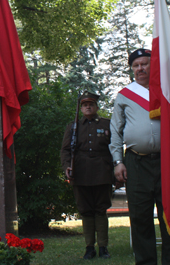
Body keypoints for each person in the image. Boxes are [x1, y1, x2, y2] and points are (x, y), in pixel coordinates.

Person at [109, 49, 170, 265]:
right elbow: (116, 130)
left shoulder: (168, 91)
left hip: (168, 163)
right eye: (136, 65)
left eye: (144, 64)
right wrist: (118, 161)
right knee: (140, 219)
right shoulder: (125, 95)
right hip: (136, 162)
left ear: (153, 66)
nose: (140, 68)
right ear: (132, 69)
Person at [61, 91, 113, 260]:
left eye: (91, 104)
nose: (88, 107)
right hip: (81, 172)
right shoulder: (73, 126)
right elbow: (66, 150)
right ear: (81, 108)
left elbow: (114, 147)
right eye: (84, 105)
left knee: (101, 209)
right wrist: (68, 167)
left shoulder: (107, 124)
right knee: (86, 211)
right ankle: (89, 247)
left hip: (102, 172)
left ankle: (103, 247)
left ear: (97, 107)